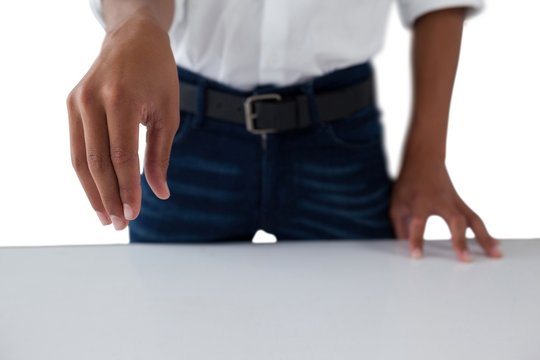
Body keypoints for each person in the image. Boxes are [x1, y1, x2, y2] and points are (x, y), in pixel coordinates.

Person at [67, 0, 503, 262]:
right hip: (186, 139)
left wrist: (428, 158)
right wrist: (135, 24)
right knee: (168, 332)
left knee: (360, 332)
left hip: (339, 144)